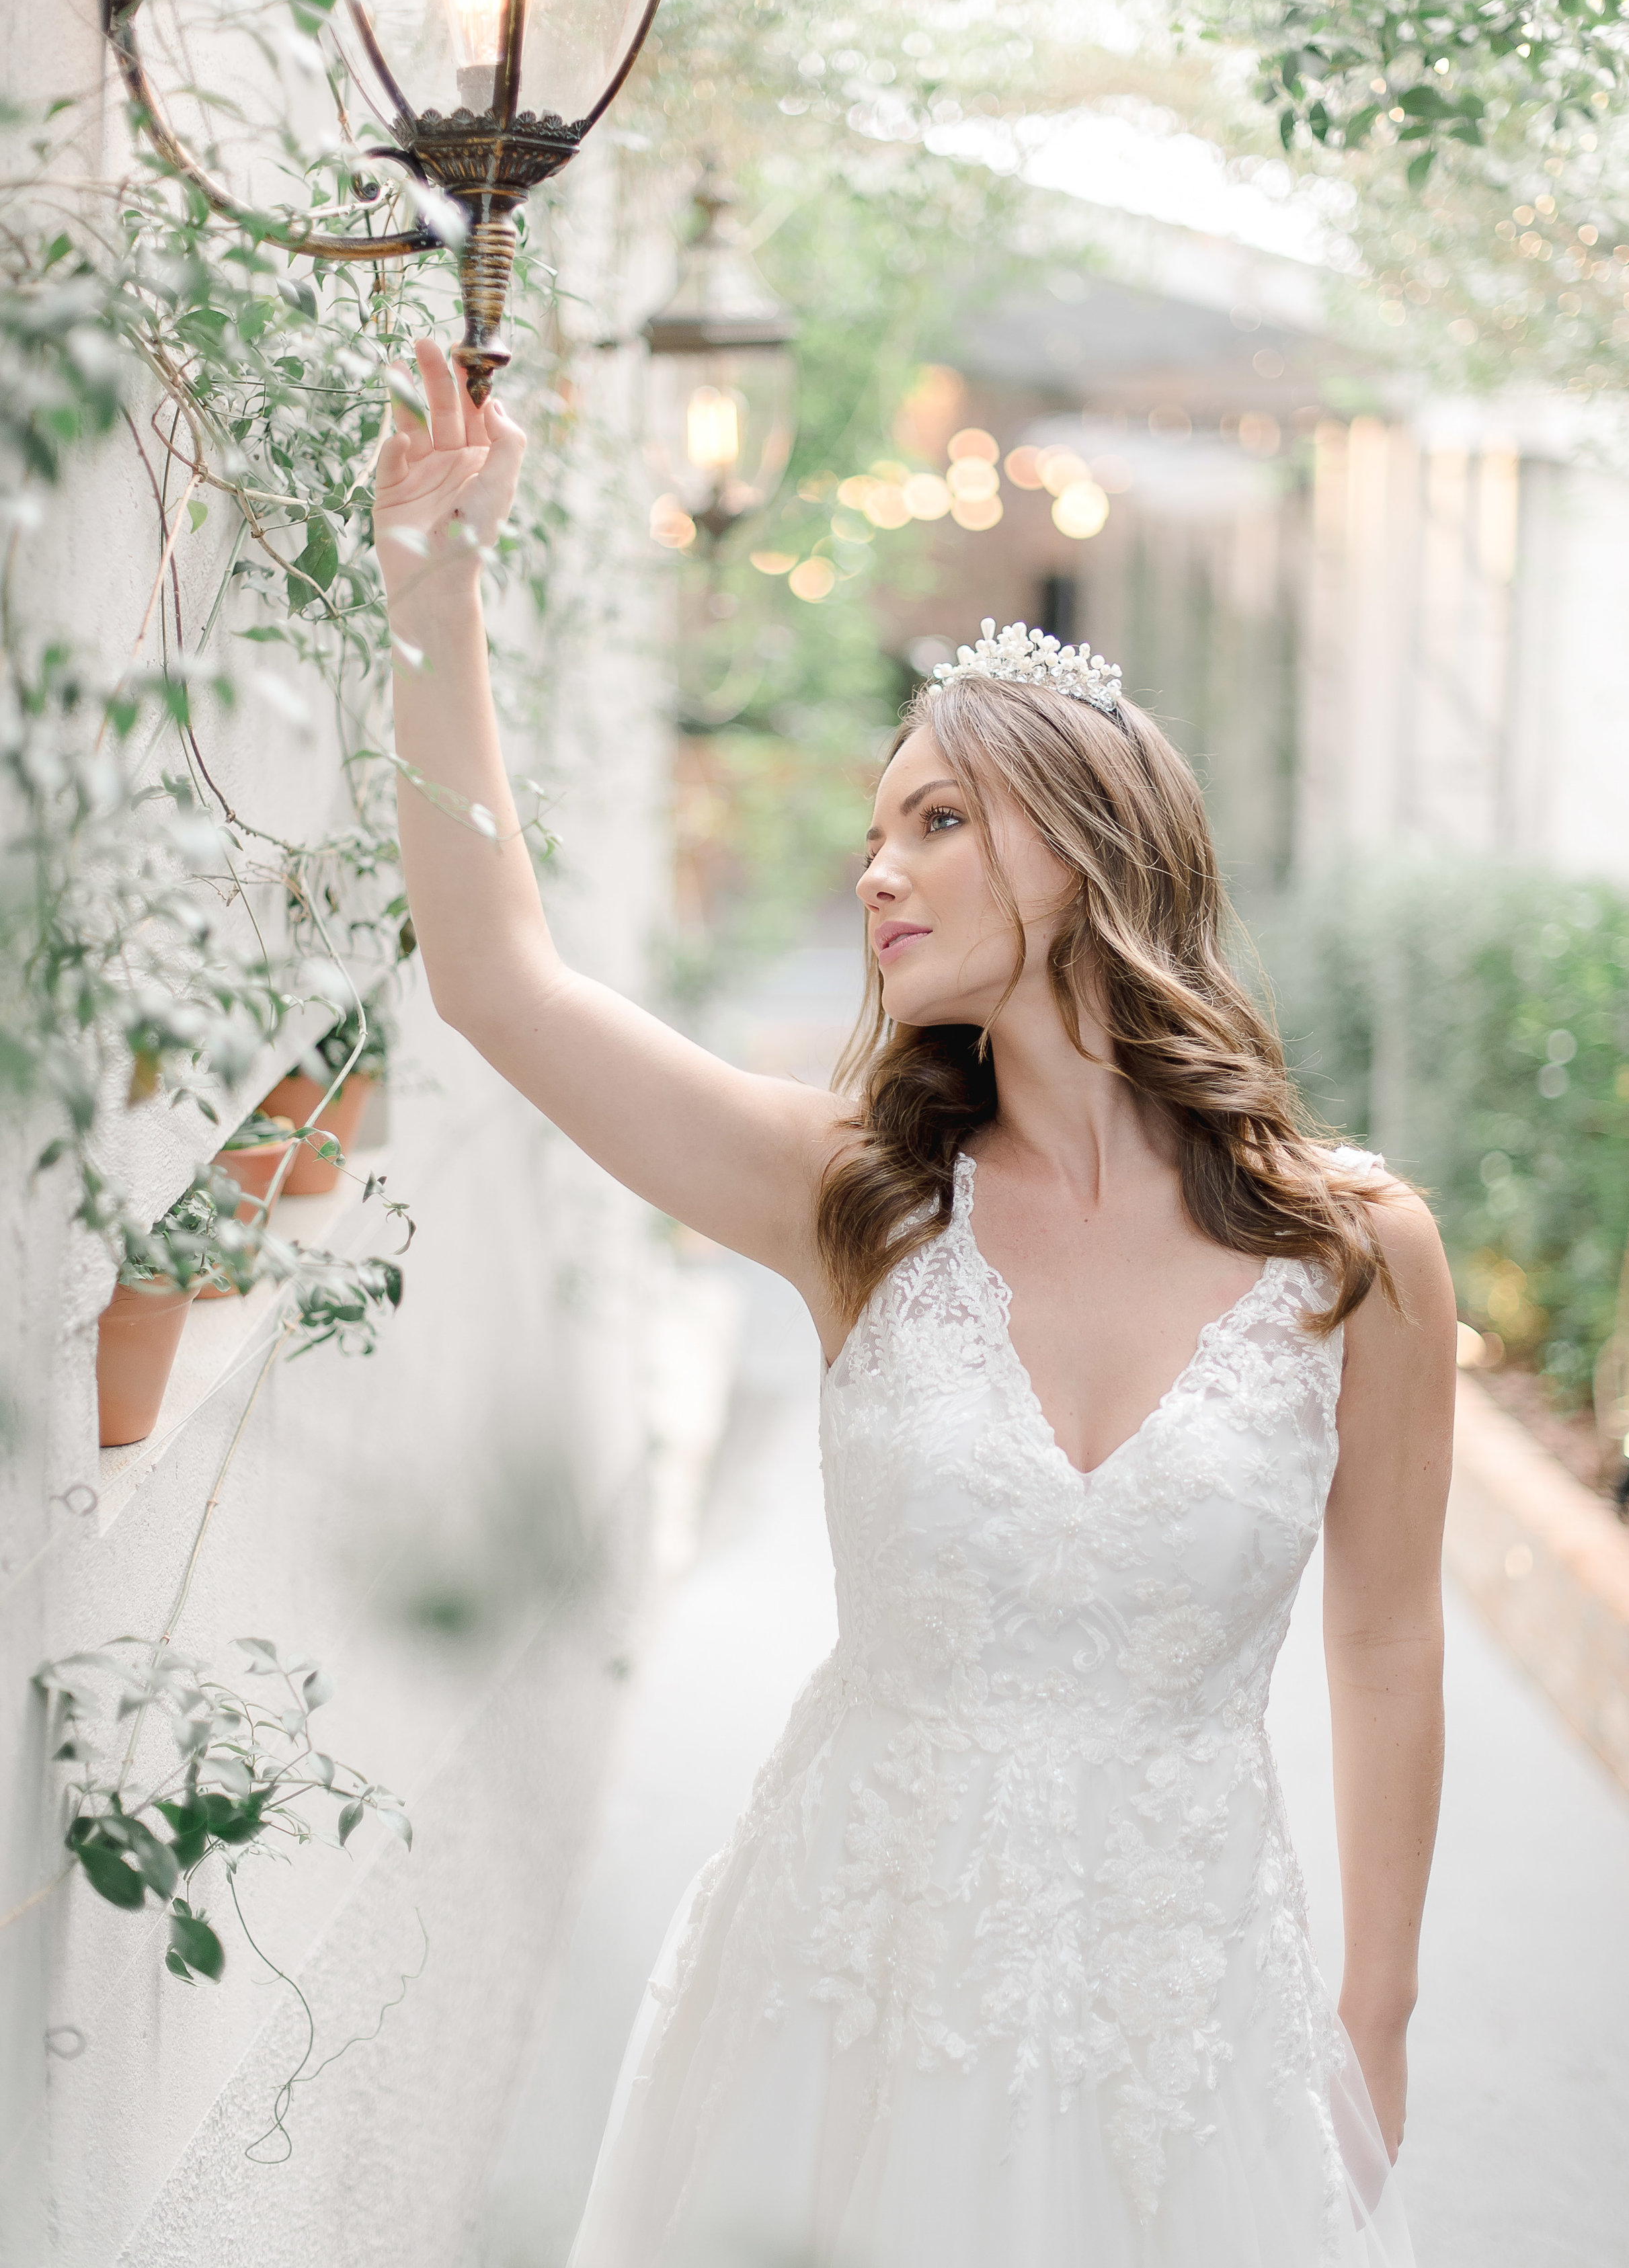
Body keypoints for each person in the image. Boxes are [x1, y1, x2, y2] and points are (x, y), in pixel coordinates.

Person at [376, 341, 1455, 2268]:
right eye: (875, 826)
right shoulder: (850, 1201)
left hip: (1179, 2019)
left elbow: (1381, 1636)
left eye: (939, 818)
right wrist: (431, 581)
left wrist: (1372, 2015)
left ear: (1091, 838)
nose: (878, 868)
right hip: (842, 1990)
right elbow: (499, 984)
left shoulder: (1352, 1251)